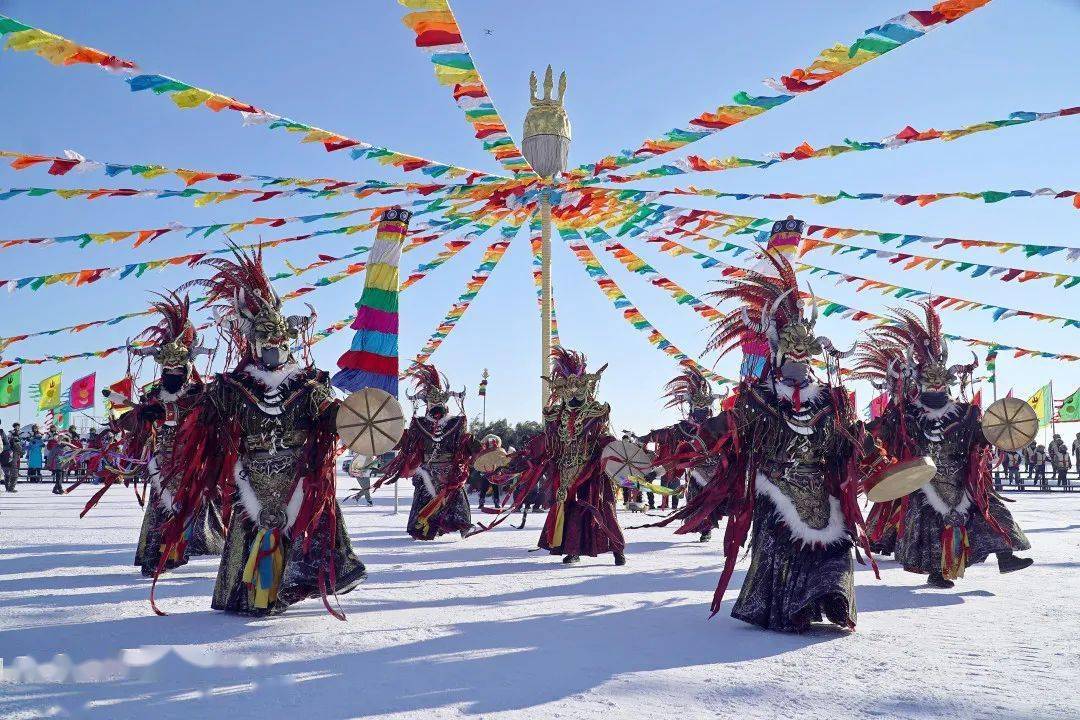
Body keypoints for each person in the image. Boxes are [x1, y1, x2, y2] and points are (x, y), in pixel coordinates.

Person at [641, 244, 884, 632]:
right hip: (775, 485)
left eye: (807, 347)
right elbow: (722, 429)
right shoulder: (757, 397)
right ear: (776, 347)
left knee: (837, 546)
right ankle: (792, 608)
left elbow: (849, 439)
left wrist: (876, 460)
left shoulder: (830, 398)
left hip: (819, 486)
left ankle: (834, 600)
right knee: (784, 548)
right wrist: (690, 449)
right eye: (792, 345)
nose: (800, 353)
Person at [157, 247, 366, 617]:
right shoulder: (232, 387)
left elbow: (328, 417)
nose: (273, 350)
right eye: (265, 344)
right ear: (252, 344)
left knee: (305, 523)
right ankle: (251, 594)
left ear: (288, 343)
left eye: (279, 344)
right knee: (249, 526)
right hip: (252, 474)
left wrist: (355, 418)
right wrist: (169, 412)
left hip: (297, 474)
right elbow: (201, 415)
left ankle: (288, 587)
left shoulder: (308, 384)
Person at [852, 300, 1033, 589]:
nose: (936, 384)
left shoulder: (965, 412)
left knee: (989, 510)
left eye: (941, 378)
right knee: (931, 527)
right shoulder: (906, 413)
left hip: (962, 476)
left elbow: (981, 437)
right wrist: (863, 437)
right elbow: (879, 434)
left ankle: (1005, 554)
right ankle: (937, 572)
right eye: (929, 378)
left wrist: (1000, 435)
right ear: (919, 381)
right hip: (924, 477)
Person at [91, 292, 225, 577]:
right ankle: (158, 553)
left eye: (178, 369)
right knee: (161, 505)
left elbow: (215, 423)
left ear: (188, 369)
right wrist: (139, 417)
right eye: (167, 369)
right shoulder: (153, 395)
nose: (172, 373)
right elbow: (133, 423)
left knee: (192, 504)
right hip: (162, 463)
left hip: (192, 461)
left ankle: (190, 546)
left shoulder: (201, 395)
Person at [485, 347, 626, 567]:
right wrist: (509, 465)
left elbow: (604, 440)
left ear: (586, 388)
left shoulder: (595, 414)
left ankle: (617, 549)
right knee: (568, 510)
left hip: (590, 470)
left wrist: (620, 452)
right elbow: (541, 448)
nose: (573, 394)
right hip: (564, 470)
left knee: (601, 508)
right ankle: (572, 550)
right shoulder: (555, 418)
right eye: (568, 390)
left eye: (578, 389)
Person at [378, 363, 479, 540]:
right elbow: (407, 442)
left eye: (438, 402)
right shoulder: (419, 424)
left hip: (449, 468)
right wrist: (388, 437)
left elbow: (464, 443)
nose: (436, 407)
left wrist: (475, 447)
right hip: (426, 468)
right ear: (427, 405)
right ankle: (420, 529)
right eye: (432, 403)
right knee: (424, 496)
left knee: (455, 495)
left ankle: (463, 526)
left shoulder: (455, 423)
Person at [637, 366, 724, 542]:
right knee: (695, 499)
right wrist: (646, 438)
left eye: (704, 408)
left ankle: (708, 527)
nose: (701, 412)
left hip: (717, 470)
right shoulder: (683, 428)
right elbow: (666, 435)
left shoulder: (717, 424)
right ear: (691, 408)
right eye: (697, 408)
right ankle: (703, 528)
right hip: (694, 471)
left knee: (713, 501)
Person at [5, 422, 22, 491]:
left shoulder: (21, 433)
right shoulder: (11, 434)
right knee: (13, 472)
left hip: (14, 456)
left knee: (9, 472)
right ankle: (10, 488)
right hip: (12, 456)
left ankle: (9, 487)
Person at [0, 420, 12, 493]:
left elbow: (7, 444)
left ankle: (8, 487)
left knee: (6, 471)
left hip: (3, 453)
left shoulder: (1, 432)